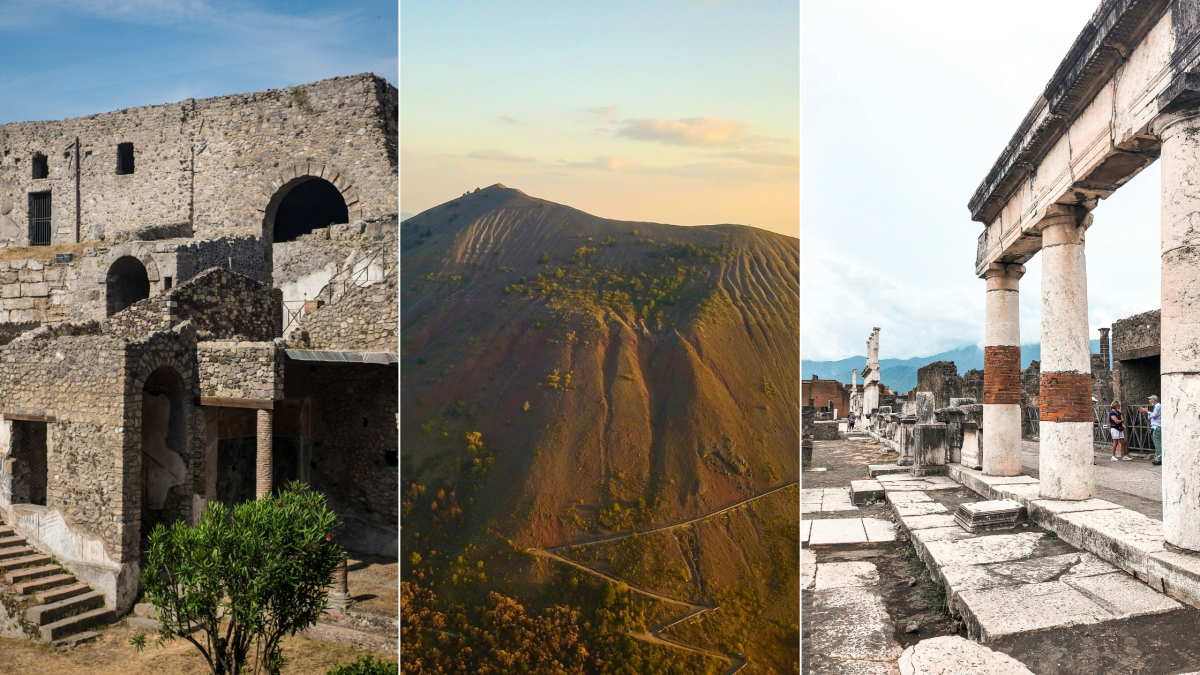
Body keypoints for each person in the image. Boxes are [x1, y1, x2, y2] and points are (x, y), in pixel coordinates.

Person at [1141, 394, 1162, 465]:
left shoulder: (1158, 406)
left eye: (1150, 399)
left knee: (1158, 443)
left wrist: (1147, 412)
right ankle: (1159, 457)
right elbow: (1151, 417)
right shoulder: (1155, 406)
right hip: (1154, 426)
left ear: (1154, 400)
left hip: (1157, 427)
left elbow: (1154, 415)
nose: (1149, 401)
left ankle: (1160, 458)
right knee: (1157, 443)